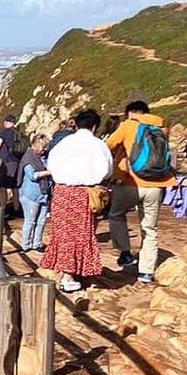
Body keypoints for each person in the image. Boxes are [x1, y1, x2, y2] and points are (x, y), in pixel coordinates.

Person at [40, 109, 113, 293]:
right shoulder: (98, 145)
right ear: (94, 126)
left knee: (63, 233)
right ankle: (69, 275)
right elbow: (107, 169)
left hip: (62, 192)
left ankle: (67, 271)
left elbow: (51, 164)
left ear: (77, 124)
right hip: (82, 193)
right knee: (79, 234)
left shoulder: (63, 144)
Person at [105, 100, 175, 285]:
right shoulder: (161, 127)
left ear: (130, 113)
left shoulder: (127, 126)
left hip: (129, 182)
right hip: (156, 185)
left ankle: (125, 252)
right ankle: (146, 272)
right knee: (150, 229)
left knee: (116, 215)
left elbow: (108, 145)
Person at [16, 133, 51, 252]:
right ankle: (25, 245)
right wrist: (48, 173)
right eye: (43, 147)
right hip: (30, 195)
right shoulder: (28, 158)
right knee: (30, 221)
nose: (44, 150)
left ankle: (37, 243)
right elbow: (32, 175)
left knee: (41, 221)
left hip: (44, 193)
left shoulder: (44, 157)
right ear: (36, 145)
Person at [0, 114, 23, 215]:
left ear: (6, 122)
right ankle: (16, 208)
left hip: (7, 161)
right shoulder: (17, 133)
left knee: (2, 186)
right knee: (15, 186)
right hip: (17, 161)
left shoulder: (5, 132)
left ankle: (2, 208)